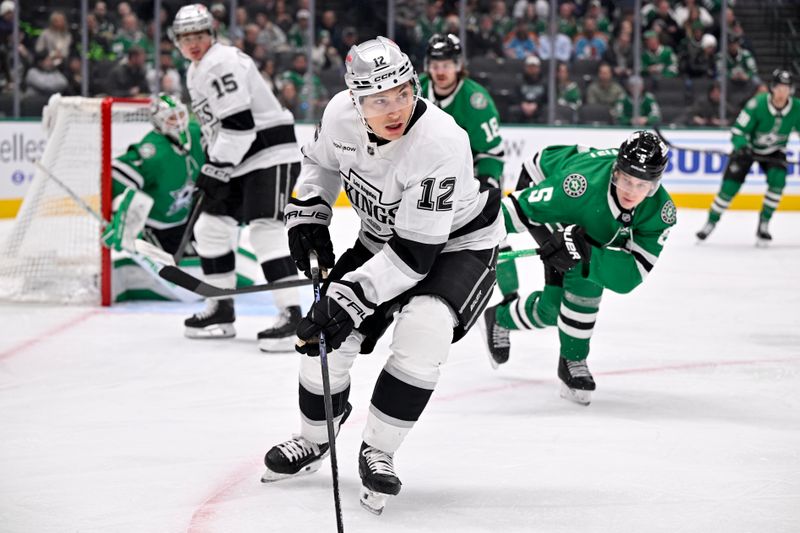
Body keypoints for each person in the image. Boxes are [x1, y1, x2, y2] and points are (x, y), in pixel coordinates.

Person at [260, 37, 503, 514]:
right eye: (378, 100)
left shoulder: (440, 142)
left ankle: (379, 450)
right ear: (356, 101)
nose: (394, 109)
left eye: (402, 93)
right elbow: (320, 164)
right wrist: (309, 214)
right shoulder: (338, 115)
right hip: (383, 238)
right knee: (325, 341)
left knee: (424, 329)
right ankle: (315, 438)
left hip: (455, 246)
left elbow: (414, 255)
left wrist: (347, 299)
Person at [483, 131, 675, 406]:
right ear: (615, 172)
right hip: (544, 180)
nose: (631, 191)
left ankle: (500, 317)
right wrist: (466, 234)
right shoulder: (579, 185)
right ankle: (573, 360)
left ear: (655, 185)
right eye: (626, 180)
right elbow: (518, 209)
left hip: (588, 220)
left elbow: (631, 275)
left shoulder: (661, 212)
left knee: (553, 309)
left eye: (642, 185)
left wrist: (587, 253)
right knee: (583, 277)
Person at [171, 4, 303, 352]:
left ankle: (292, 315)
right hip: (238, 158)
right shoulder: (196, 69)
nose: (193, 43)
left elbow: (240, 125)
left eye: (199, 35)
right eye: (186, 38)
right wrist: (213, 167)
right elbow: (220, 130)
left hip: (268, 154)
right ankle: (221, 308)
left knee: (265, 229)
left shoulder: (220, 62)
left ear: (211, 34)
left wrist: (215, 167)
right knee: (210, 227)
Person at [696, 70, 800, 244]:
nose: (782, 91)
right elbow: (738, 131)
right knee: (729, 187)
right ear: (772, 88)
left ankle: (764, 224)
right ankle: (711, 222)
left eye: (786, 88)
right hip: (748, 150)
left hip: (775, 151)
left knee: (778, 181)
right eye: (779, 87)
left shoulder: (797, 108)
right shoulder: (756, 104)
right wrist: (742, 147)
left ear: (791, 90)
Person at [103, 93, 203, 257]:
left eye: (181, 114)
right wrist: (118, 215)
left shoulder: (195, 133)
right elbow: (118, 174)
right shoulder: (154, 150)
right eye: (172, 118)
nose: (179, 122)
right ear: (158, 121)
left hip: (184, 218)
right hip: (155, 225)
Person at [420, 33, 505, 189]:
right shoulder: (415, 90)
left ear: (458, 65)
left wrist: (486, 181)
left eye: (446, 65)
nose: (440, 72)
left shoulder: (475, 101)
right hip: (422, 173)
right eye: (435, 66)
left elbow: (492, 152)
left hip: (466, 177)